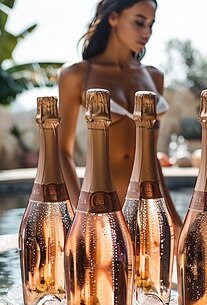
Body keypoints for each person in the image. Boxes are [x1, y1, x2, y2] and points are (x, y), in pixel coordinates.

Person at [58, 0, 182, 234]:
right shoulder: (77, 75)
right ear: (113, 18)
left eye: (151, 25)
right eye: (139, 22)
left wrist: (174, 219)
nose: (147, 32)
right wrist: (80, 215)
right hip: (99, 209)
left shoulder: (153, 77)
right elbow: (62, 153)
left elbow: (150, 158)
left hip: (148, 209)